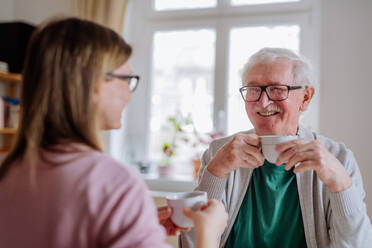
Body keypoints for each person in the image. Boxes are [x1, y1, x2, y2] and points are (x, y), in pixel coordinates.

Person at [0, 17, 227, 248]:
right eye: (126, 79)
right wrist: (208, 234)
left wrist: (137, 226)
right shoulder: (111, 182)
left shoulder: (10, 172)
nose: (129, 93)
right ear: (92, 85)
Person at [180, 47, 372, 247]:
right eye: (254, 90)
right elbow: (192, 244)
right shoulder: (220, 152)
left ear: (305, 98)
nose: (263, 103)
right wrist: (215, 172)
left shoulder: (337, 158)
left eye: (277, 90)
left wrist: (340, 184)